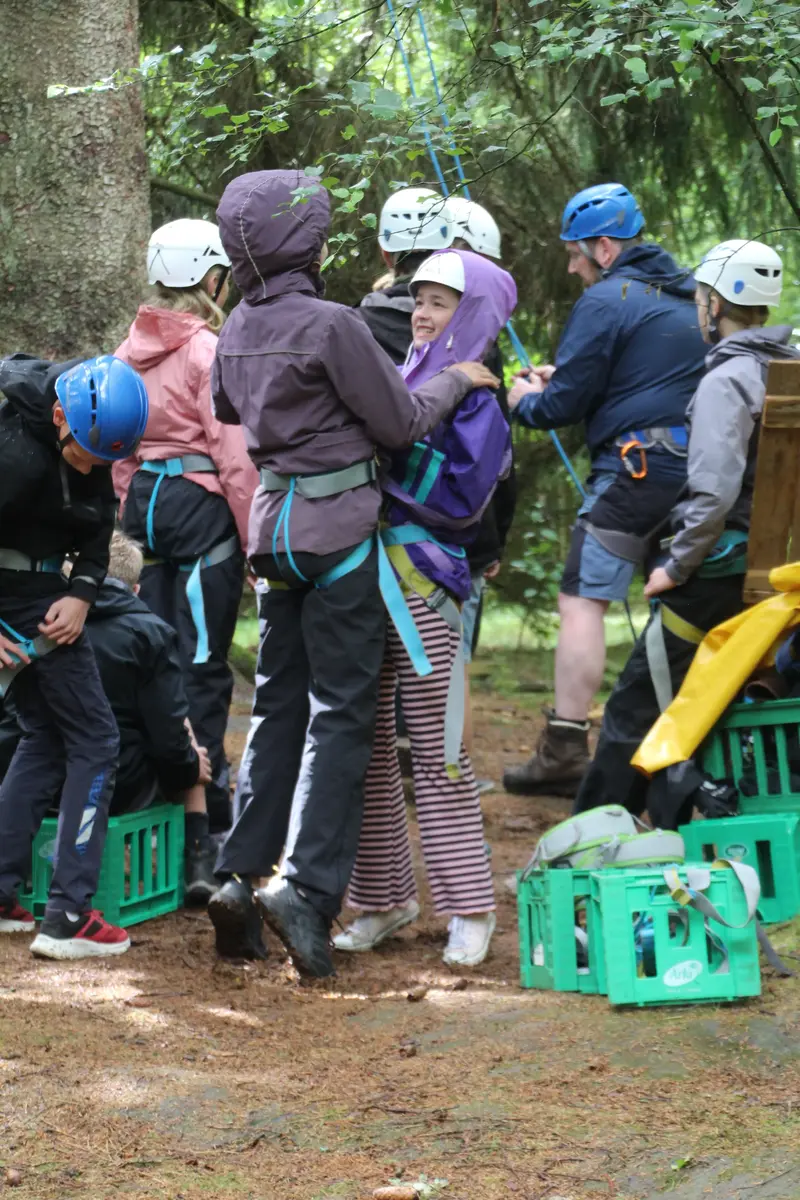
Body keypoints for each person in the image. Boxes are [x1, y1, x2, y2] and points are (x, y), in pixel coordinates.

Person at [205, 169, 499, 976]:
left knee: (274, 707)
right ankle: (304, 887)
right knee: (341, 712)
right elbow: (401, 422)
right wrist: (454, 377)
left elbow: (229, 410)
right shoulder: (333, 324)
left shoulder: (236, 326)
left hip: (274, 537)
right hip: (338, 536)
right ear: (305, 244)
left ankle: (237, 875)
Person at [573, 238, 799, 827]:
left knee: (632, 707)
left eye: (701, 296)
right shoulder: (788, 369)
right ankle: (669, 820)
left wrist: (676, 566)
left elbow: (714, 494)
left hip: (721, 576)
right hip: (781, 579)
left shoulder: (729, 380)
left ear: (714, 305)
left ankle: (589, 842)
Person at [335, 247, 517, 968]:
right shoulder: (409, 373)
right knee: (370, 742)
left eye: (440, 302)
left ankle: (470, 905)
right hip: (368, 576)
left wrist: (375, 487)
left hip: (426, 583)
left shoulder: (479, 399)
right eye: (418, 298)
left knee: (439, 746)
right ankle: (381, 895)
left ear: (471, 313)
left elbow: (465, 497)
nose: (421, 312)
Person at [503, 183, 706, 798]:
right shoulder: (687, 298)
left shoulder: (606, 299)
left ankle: (565, 745)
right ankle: (679, 737)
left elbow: (562, 407)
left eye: (575, 255)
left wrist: (524, 400)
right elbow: (646, 377)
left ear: (606, 248)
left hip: (634, 470)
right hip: (697, 475)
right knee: (674, 606)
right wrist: (564, 377)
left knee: (582, 600)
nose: (571, 268)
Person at [0, 354, 148, 959]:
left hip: (48, 594)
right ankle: (69, 915)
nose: (95, 468)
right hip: (18, 597)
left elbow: (95, 534)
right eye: (86, 454)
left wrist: (84, 595)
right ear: (59, 415)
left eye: (107, 459)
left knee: (47, 735)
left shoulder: (95, 438)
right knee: (97, 740)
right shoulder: (13, 452)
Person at [114, 219, 259, 835]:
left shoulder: (125, 350)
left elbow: (118, 445)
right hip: (202, 516)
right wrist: (257, 542)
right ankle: (207, 817)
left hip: (145, 505)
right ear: (212, 279)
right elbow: (234, 455)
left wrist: (127, 514)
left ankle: (153, 796)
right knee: (200, 661)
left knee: (151, 654)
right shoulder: (207, 350)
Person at [0, 531, 219, 901]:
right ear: (136, 589)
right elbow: (167, 740)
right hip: (119, 786)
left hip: (34, 784)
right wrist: (189, 769)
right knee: (181, 728)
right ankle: (198, 856)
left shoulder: (37, 625)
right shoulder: (151, 633)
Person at [447, 196, 517, 763]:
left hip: (390, 530)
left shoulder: (381, 323)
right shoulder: (478, 352)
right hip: (460, 540)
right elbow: (494, 466)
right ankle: (453, 773)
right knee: (454, 661)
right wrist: (492, 543)